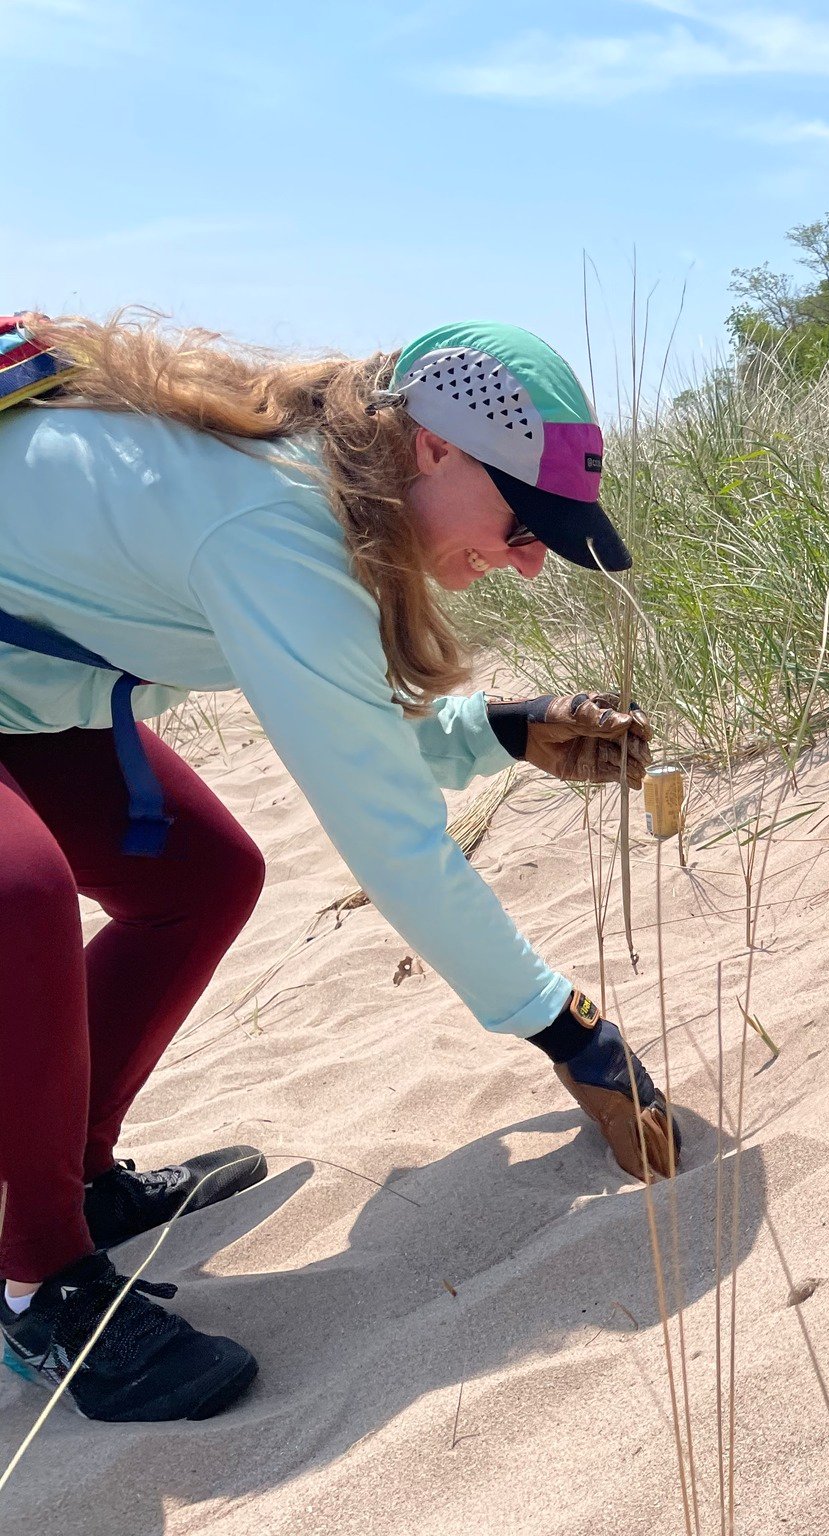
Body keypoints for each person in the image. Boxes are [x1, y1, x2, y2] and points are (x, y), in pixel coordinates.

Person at [0, 313, 687, 1424]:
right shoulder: (272, 524)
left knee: (198, 880)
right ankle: (38, 1279)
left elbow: (348, 723)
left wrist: (504, 730)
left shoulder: (320, 494)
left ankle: (65, 1176)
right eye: (524, 521)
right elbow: (392, 841)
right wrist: (572, 1032)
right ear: (435, 448)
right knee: (18, 895)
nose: (528, 559)